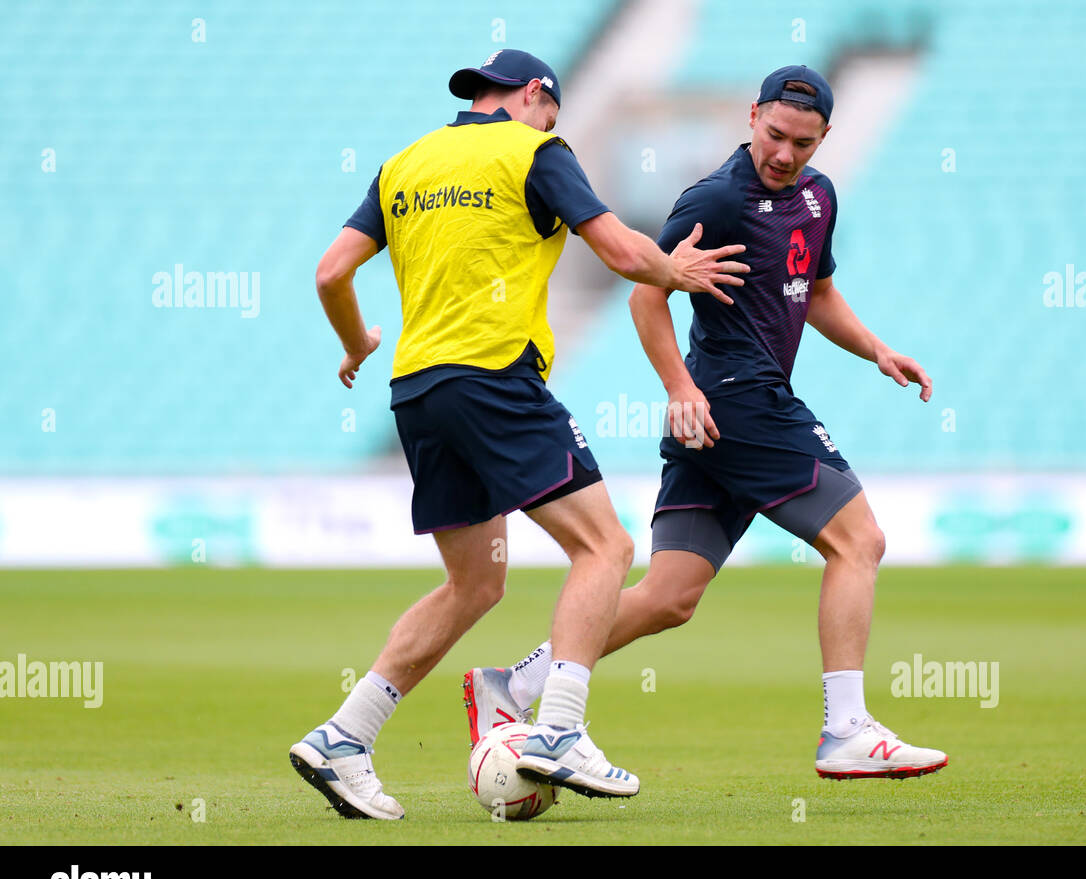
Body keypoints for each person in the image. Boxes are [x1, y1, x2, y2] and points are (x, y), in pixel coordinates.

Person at [292, 49, 749, 818]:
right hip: (494, 378)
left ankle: (345, 736)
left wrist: (354, 345)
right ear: (537, 96)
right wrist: (676, 272)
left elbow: (331, 273)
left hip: (417, 391)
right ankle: (560, 728)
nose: (551, 124)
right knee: (605, 546)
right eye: (552, 112)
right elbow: (616, 247)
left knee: (475, 583)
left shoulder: (406, 162)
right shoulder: (537, 150)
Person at [466, 65, 948, 780]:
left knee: (669, 597)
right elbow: (644, 296)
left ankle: (514, 687)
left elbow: (814, 293)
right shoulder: (717, 199)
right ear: (752, 115)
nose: (785, 153)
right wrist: (679, 384)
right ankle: (845, 728)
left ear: (825, 139)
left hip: (719, 421)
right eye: (776, 134)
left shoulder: (819, 197)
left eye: (803, 144)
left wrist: (876, 348)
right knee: (861, 541)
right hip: (737, 399)